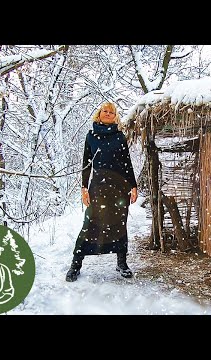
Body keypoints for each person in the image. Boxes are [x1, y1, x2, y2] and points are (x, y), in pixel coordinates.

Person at [66, 102, 138, 282]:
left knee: (119, 225)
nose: (108, 114)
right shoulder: (91, 136)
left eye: (111, 112)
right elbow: (86, 164)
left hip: (119, 189)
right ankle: (76, 264)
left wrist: (133, 186)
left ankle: (121, 263)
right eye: (105, 111)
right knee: (89, 225)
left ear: (115, 116)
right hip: (98, 188)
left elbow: (127, 163)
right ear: (99, 114)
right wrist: (84, 188)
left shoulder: (120, 137)